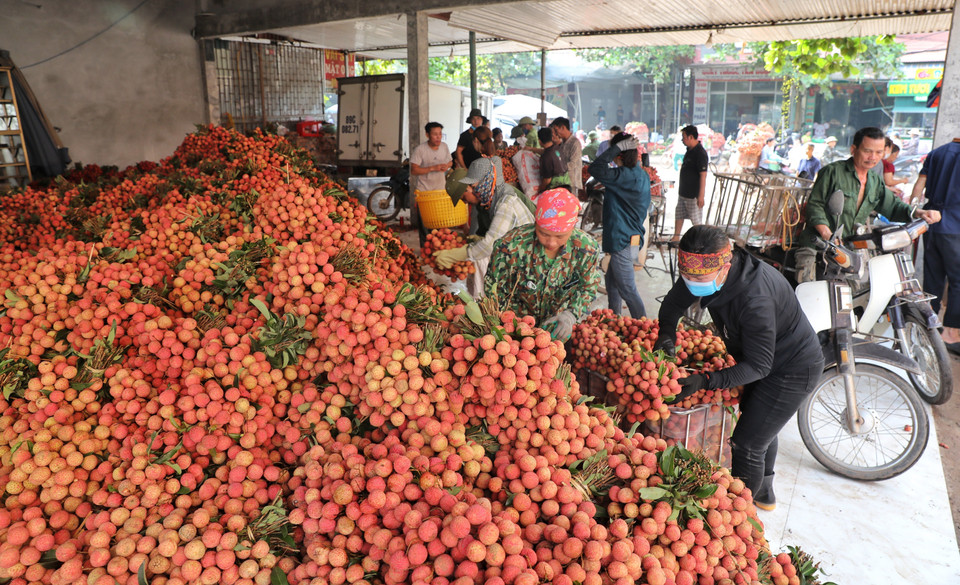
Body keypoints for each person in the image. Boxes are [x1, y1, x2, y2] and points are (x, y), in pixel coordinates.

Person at [653, 225, 823, 511]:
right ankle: (764, 492)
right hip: (759, 357)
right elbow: (672, 305)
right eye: (688, 276)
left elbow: (759, 365)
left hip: (793, 368)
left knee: (747, 444)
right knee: (760, 423)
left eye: (699, 277)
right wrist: (666, 335)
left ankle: (737, 516)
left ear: (725, 267)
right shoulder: (703, 268)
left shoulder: (754, 297)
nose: (693, 282)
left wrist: (706, 381)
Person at [794, 127, 941, 283]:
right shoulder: (832, 172)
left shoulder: (874, 180)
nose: (873, 157)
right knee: (809, 293)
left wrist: (919, 213)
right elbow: (814, 205)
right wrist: (827, 234)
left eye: (879, 153)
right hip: (818, 246)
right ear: (853, 149)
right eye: (867, 151)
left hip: (849, 249)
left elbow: (892, 206)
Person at [484, 188, 602, 341]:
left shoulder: (586, 249)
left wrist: (571, 314)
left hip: (557, 331)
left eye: (560, 236)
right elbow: (493, 291)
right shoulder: (510, 246)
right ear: (535, 223)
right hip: (514, 334)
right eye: (544, 233)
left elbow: (588, 287)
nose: (551, 242)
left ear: (572, 228)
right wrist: (512, 327)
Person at [434, 158, 536, 297]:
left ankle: (482, 303)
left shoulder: (506, 202)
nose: (476, 191)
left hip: (527, 261)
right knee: (478, 252)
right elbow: (496, 235)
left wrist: (456, 255)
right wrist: (477, 240)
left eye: (475, 187)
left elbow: (489, 245)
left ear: (487, 181)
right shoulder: (494, 199)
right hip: (516, 252)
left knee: (480, 257)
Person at [589, 133, 650, 317]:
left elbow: (595, 168)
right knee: (612, 285)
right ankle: (613, 321)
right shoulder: (639, 174)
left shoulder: (624, 175)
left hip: (623, 239)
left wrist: (617, 147)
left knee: (627, 290)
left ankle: (644, 326)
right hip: (629, 237)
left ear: (619, 154)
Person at [911, 138, 960, 353]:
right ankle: (951, 333)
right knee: (958, 281)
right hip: (956, 226)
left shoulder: (937, 152)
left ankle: (927, 329)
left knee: (932, 279)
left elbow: (920, 184)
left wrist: (912, 210)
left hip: (930, 222)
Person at [673, 125, 709, 241]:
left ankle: (700, 241)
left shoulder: (700, 153)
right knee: (679, 215)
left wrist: (701, 196)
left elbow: (703, 175)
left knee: (696, 220)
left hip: (693, 194)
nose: (682, 140)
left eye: (684, 137)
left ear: (691, 137)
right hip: (683, 192)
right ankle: (676, 236)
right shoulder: (689, 150)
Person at [410, 122, 453, 195]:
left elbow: (450, 162)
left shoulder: (444, 146)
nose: (438, 137)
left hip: (440, 190)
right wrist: (432, 168)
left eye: (440, 134)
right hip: (424, 190)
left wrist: (447, 166)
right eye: (435, 134)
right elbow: (414, 170)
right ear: (427, 135)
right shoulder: (420, 149)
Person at [550, 117, 583, 195]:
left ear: (563, 128)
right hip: (563, 182)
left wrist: (557, 168)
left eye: (556, 130)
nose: (555, 133)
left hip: (572, 182)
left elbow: (573, 163)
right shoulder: (562, 143)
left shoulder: (575, 143)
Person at [538, 128, 567, 192]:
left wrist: (539, 189)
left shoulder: (546, 157)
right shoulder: (558, 148)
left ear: (539, 141)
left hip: (555, 188)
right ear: (552, 137)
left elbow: (547, 180)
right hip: (566, 184)